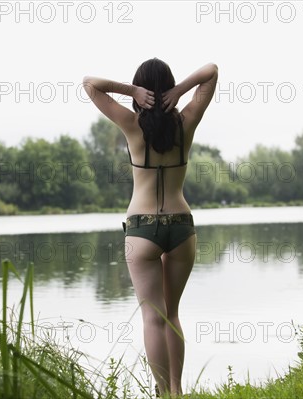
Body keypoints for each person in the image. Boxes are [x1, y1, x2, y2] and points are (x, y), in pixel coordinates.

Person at [83, 59, 218, 396]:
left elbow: (89, 83)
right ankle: (176, 391)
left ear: (142, 91)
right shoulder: (186, 122)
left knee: (152, 318)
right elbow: (212, 71)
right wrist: (179, 91)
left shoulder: (130, 123)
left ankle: (160, 392)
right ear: (169, 86)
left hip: (141, 229)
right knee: (172, 314)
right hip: (180, 226)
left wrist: (131, 92)